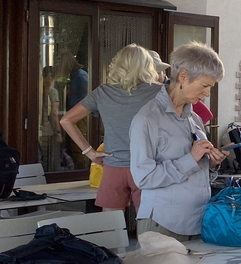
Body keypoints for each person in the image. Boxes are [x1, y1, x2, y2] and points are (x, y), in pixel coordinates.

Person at [129, 42, 227, 239]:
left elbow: (196, 174)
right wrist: (190, 159)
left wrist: (212, 165)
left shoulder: (195, 118)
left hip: (199, 221)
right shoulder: (147, 119)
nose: (207, 93)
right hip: (164, 223)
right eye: (204, 86)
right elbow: (144, 178)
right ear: (183, 76)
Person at [61, 45, 162, 210]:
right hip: (147, 167)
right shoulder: (160, 92)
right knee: (149, 229)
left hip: (113, 166)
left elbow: (66, 120)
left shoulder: (103, 92)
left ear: (117, 64)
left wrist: (90, 153)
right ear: (147, 66)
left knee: (111, 227)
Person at [64, 54, 90, 169]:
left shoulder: (80, 76)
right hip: (73, 113)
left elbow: (87, 97)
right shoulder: (74, 76)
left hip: (79, 114)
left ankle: (81, 168)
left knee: (78, 144)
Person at [39, 66, 62, 172]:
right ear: (55, 77)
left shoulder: (38, 90)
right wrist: (58, 132)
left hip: (38, 128)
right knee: (50, 156)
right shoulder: (53, 92)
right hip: (48, 129)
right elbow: (53, 114)